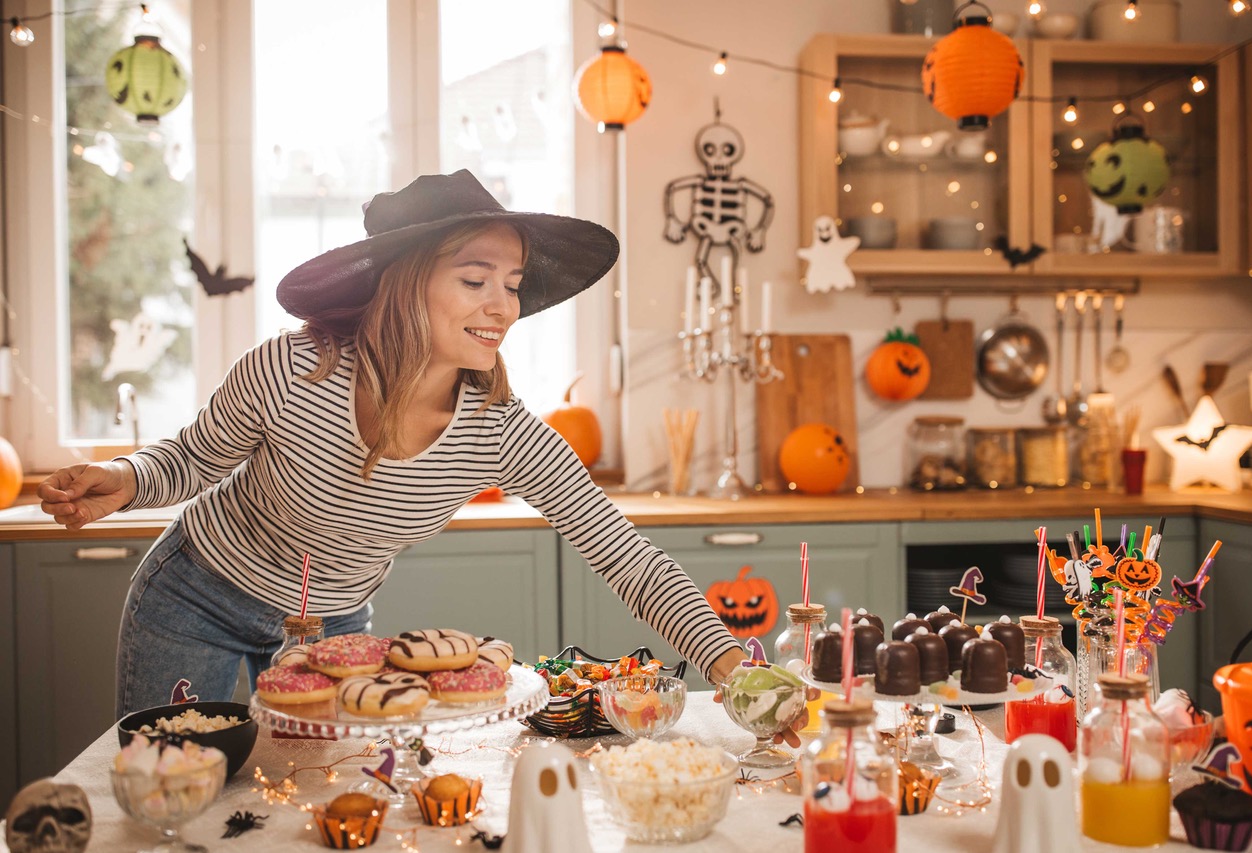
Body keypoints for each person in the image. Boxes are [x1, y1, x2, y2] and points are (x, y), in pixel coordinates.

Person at [38, 170, 793, 732]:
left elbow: (625, 556)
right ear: (405, 283)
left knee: (324, 806)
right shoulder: (292, 371)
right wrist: (122, 476)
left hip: (335, 631)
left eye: (513, 285)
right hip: (196, 598)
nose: (504, 306)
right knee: (175, 790)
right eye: (475, 279)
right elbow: (195, 459)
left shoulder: (500, 430)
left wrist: (730, 665)